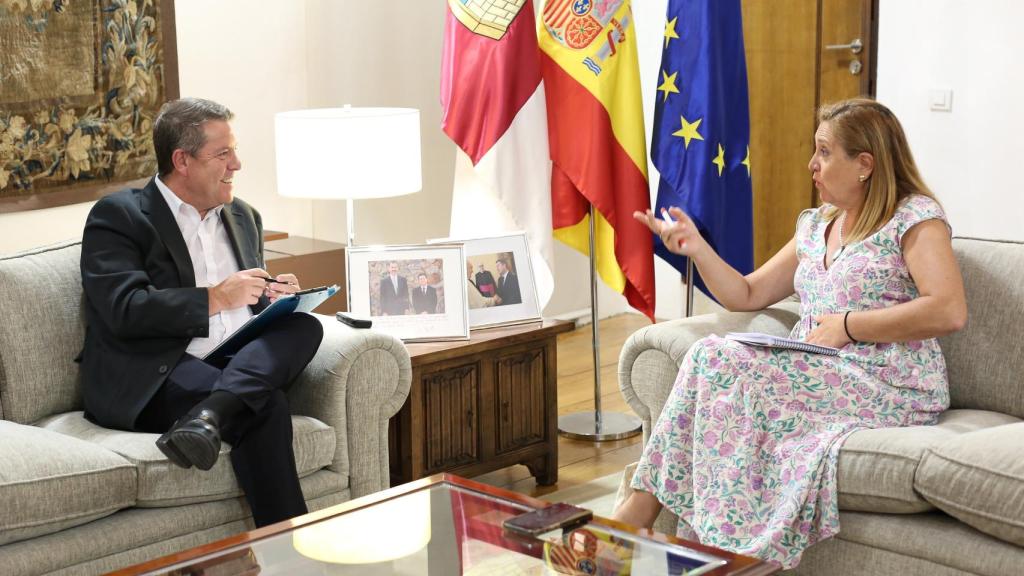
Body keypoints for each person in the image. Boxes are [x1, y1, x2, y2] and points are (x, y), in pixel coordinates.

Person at [613, 98, 967, 569]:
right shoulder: (817, 224)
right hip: (815, 367)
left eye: (824, 151)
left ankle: (648, 525)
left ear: (864, 164)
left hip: (889, 380)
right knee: (708, 355)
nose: (812, 164)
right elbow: (747, 293)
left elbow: (948, 309)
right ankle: (679, 532)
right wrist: (697, 249)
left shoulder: (914, 217)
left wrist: (849, 326)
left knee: (722, 361)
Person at [78, 97, 325, 527]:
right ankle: (290, 548)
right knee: (265, 405)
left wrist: (269, 298)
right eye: (223, 153)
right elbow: (124, 310)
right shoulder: (119, 216)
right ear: (182, 161)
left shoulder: (244, 216)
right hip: (156, 369)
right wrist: (216, 297)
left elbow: (244, 301)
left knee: (304, 325)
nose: (237, 165)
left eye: (234, 151)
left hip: (232, 360)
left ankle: (209, 415)